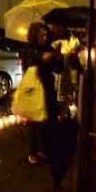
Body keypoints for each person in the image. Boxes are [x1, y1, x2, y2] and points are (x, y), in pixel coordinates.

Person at [22, 22, 64, 164]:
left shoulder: (49, 49)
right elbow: (29, 69)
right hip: (35, 89)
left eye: (46, 34)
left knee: (51, 118)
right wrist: (42, 61)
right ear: (34, 36)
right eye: (41, 35)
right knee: (35, 120)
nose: (44, 38)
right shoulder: (29, 49)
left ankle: (45, 149)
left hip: (48, 88)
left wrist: (58, 59)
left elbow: (58, 70)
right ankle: (33, 151)